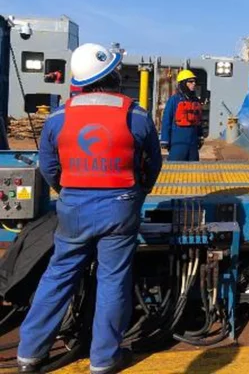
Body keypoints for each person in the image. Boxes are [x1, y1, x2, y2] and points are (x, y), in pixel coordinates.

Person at [17, 43, 163, 374]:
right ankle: (103, 360)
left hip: (74, 208)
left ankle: (29, 355)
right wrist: (138, 194)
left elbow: (49, 166)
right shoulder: (135, 115)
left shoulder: (58, 116)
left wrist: (67, 191)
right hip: (120, 208)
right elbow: (152, 164)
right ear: (112, 75)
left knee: (58, 276)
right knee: (113, 281)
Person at [160, 70, 204, 161]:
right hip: (178, 142)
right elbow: (166, 120)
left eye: (194, 81)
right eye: (190, 82)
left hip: (193, 143)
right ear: (183, 83)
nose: (194, 84)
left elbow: (198, 120)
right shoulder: (174, 100)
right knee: (175, 170)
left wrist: (200, 136)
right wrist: (165, 139)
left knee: (193, 171)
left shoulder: (195, 101)